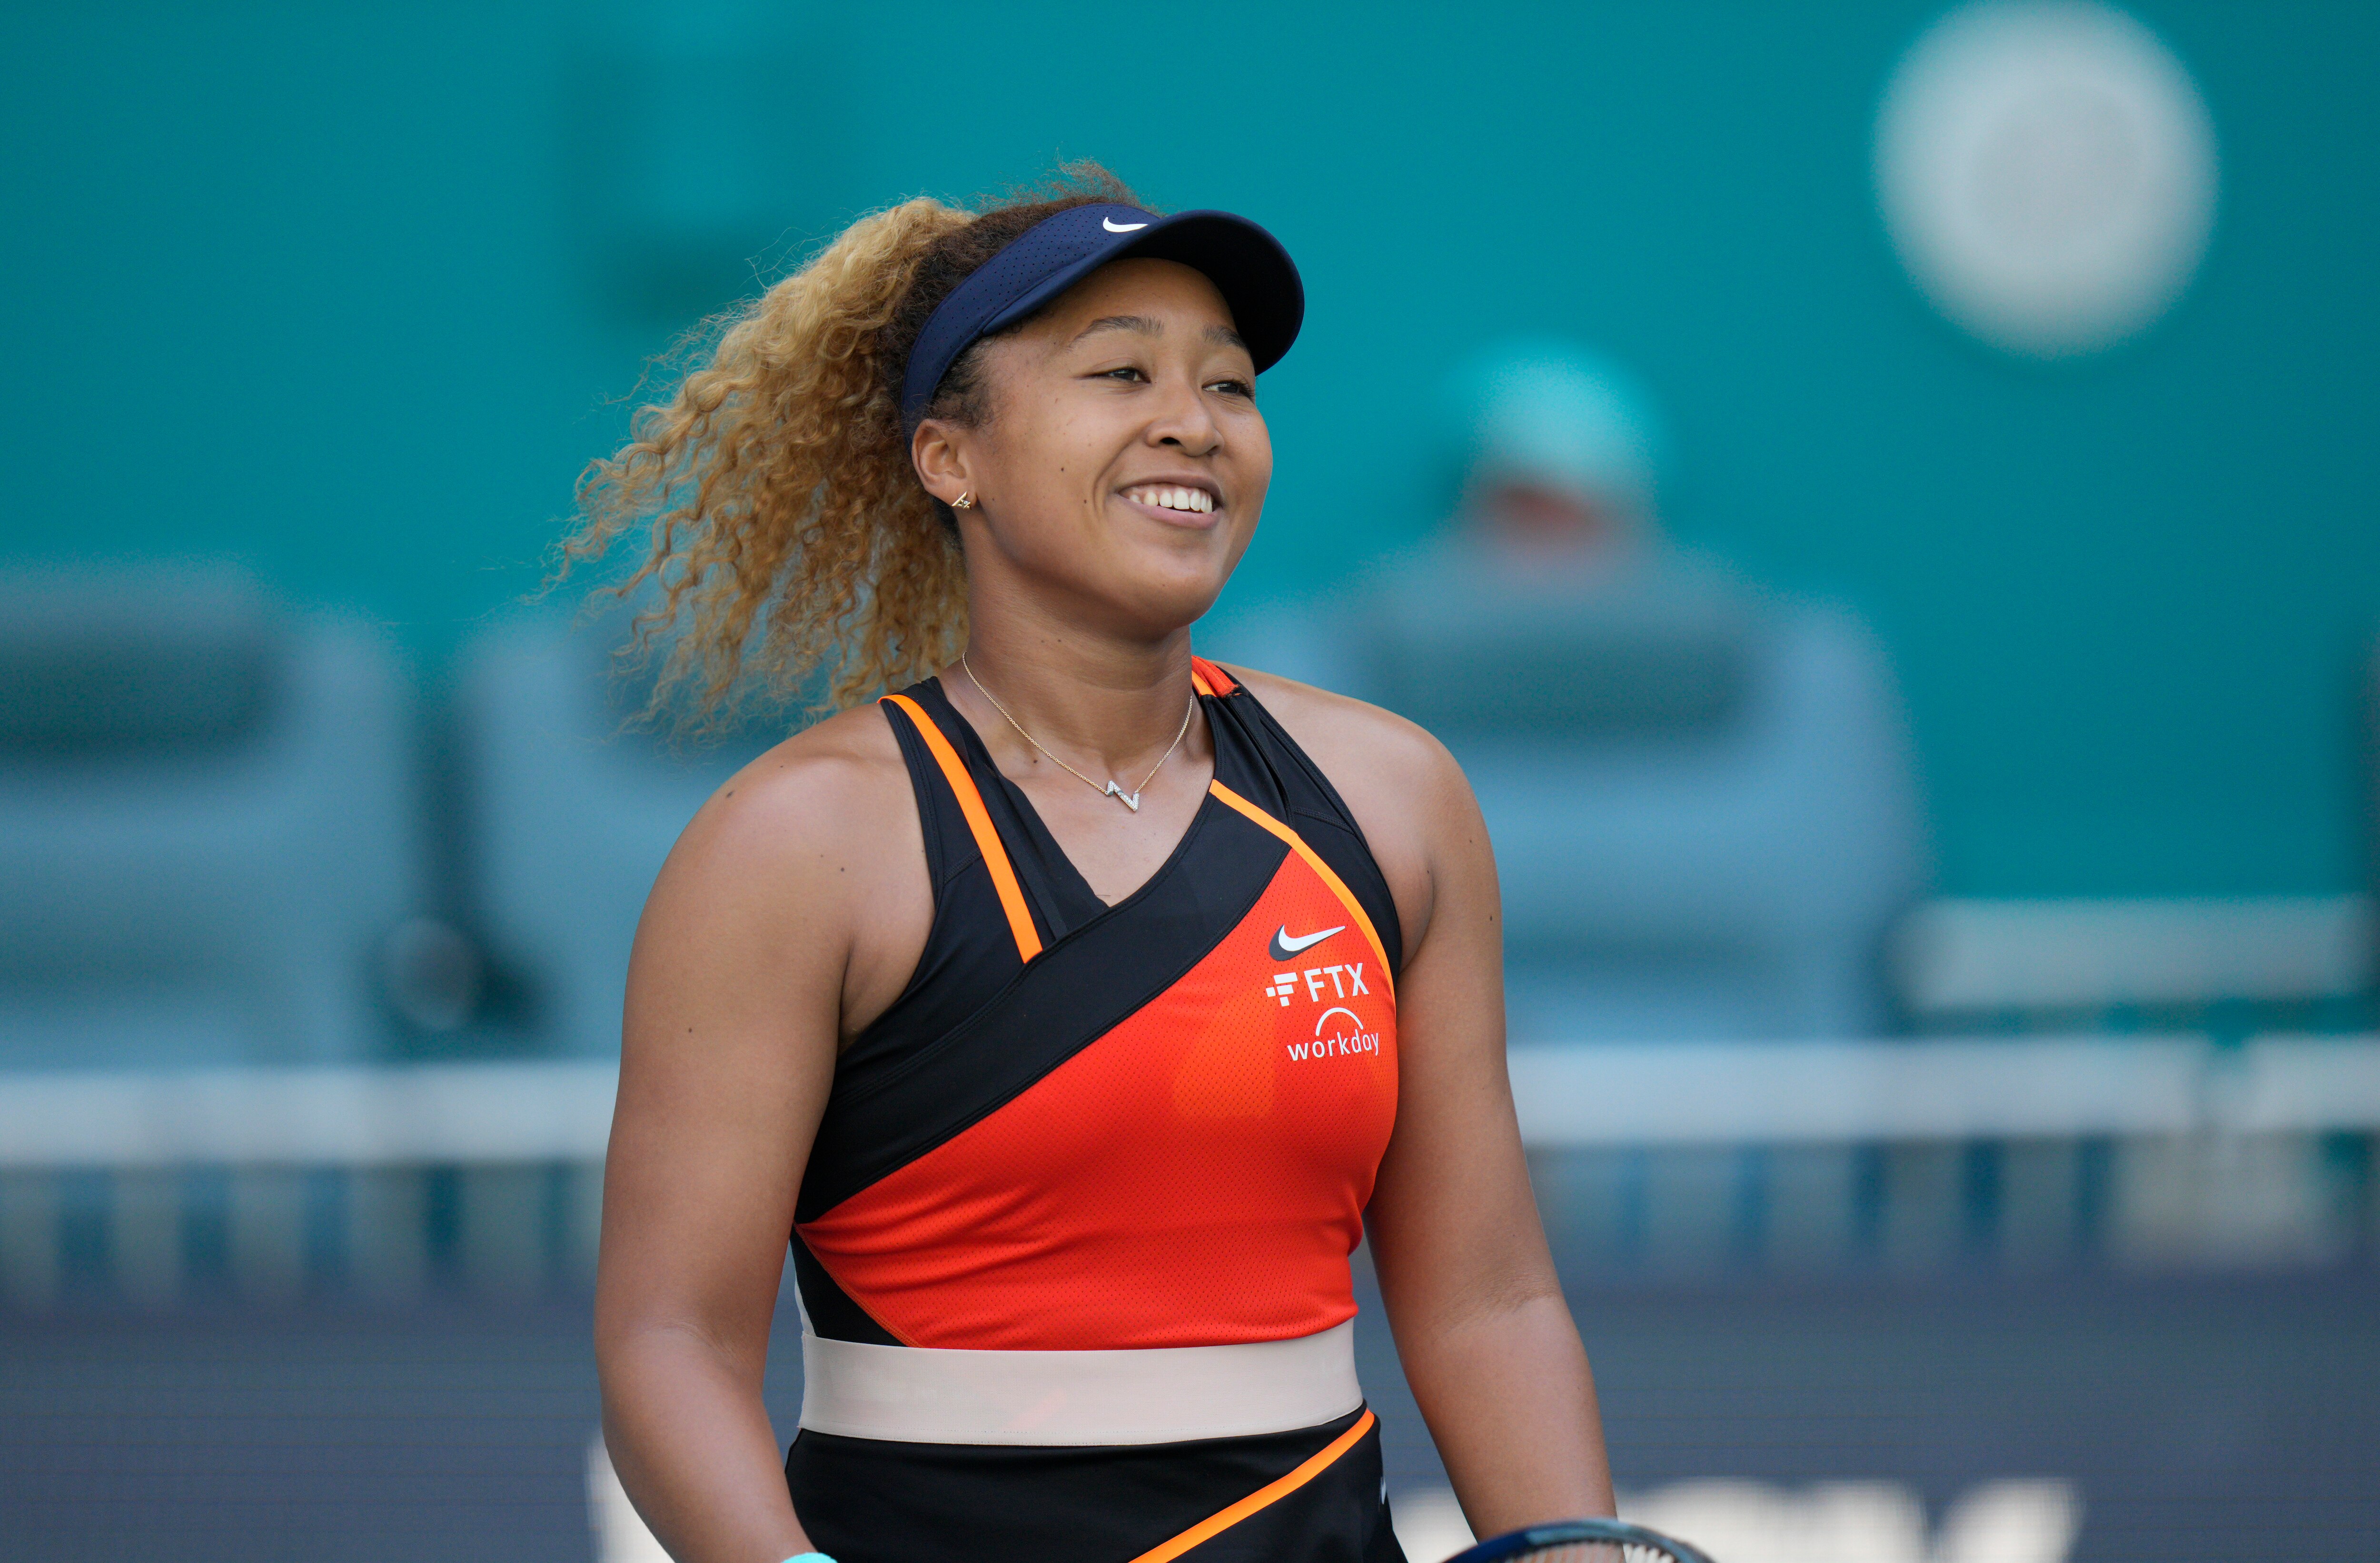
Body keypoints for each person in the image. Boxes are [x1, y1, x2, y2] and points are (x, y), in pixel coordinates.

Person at [569, 166, 1612, 1563]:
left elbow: (1491, 1300)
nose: (1192, 421)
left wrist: (1575, 1552)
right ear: (953, 459)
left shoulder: (1395, 802)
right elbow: (667, 1340)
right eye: (1121, 373)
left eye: (1230, 387)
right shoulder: (794, 845)